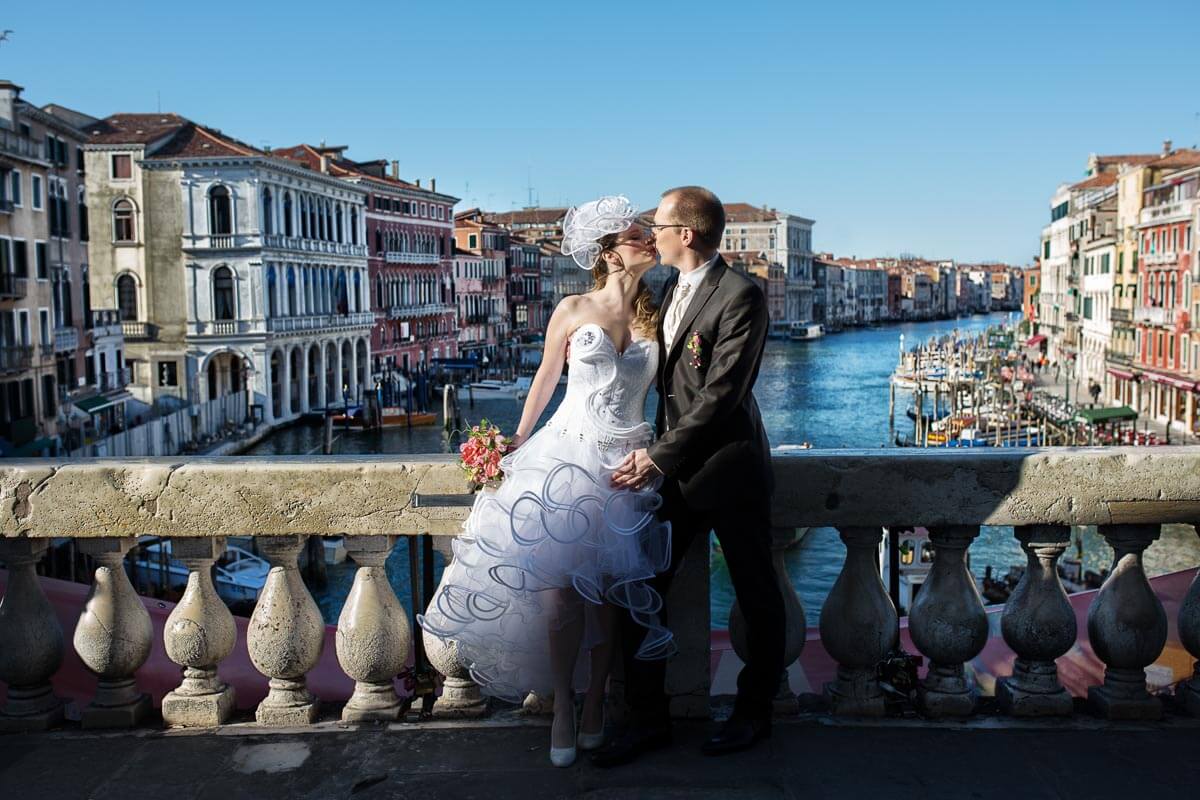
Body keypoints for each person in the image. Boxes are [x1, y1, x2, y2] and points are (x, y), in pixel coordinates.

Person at [418, 196, 673, 768]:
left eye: (646, 235)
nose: (648, 241)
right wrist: (518, 436)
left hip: (626, 468)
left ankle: (597, 704)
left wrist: (659, 453)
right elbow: (545, 378)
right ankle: (562, 703)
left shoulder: (659, 313)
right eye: (637, 236)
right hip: (568, 458)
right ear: (608, 252)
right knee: (560, 595)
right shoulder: (573, 306)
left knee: (608, 597)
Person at [599, 186, 784, 765]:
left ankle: (754, 715)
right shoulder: (661, 287)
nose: (650, 234)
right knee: (641, 593)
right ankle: (646, 718)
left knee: (758, 597)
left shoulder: (743, 295)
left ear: (686, 234)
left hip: (729, 471)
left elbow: (723, 395)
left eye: (657, 225)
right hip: (674, 478)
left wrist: (657, 457)